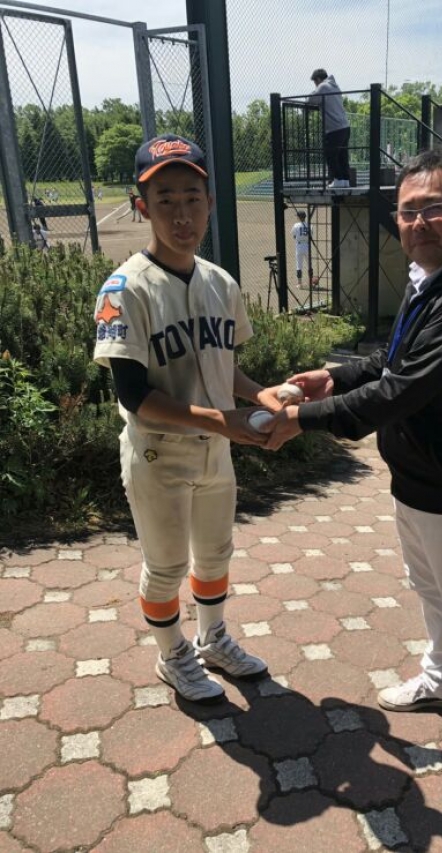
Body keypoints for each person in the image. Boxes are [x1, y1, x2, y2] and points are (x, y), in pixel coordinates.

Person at [262, 148, 442, 774]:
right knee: (433, 591)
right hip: (419, 480)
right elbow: (393, 359)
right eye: (407, 212)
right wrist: (333, 376)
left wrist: (302, 419)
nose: (418, 223)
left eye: (435, 208)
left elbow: (401, 391)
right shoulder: (430, 279)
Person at [93, 134, 284, 704]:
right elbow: (134, 395)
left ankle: (213, 637)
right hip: (159, 454)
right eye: (166, 199)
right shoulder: (123, 288)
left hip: (215, 450)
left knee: (216, 554)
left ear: (210, 203)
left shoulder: (221, 282)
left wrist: (260, 394)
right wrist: (224, 419)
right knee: (167, 565)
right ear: (142, 206)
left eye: (192, 198)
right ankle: (172, 653)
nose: (182, 214)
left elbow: (225, 367)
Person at [309, 69, 351, 189]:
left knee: (330, 154)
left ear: (318, 79)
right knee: (342, 155)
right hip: (345, 127)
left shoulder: (323, 86)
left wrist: (315, 92)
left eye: (315, 83)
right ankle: (345, 180)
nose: (315, 86)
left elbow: (311, 100)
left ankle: (337, 179)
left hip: (334, 128)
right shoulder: (335, 86)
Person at [291, 210, 313, 287]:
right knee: (309, 265)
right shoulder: (310, 225)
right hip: (307, 246)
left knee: (299, 265)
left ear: (299, 217)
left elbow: (294, 236)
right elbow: (310, 236)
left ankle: (299, 283)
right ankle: (310, 282)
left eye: (297, 216)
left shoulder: (296, 225)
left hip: (299, 246)